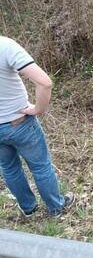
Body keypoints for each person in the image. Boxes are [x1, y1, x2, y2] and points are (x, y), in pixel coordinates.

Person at [0, 36, 74, 217]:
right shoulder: (5, 46)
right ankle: (56, 208)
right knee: (41, 167)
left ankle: (29, 208)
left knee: (9, 168)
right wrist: (38, 109)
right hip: (20, 122)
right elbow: (44, 82)